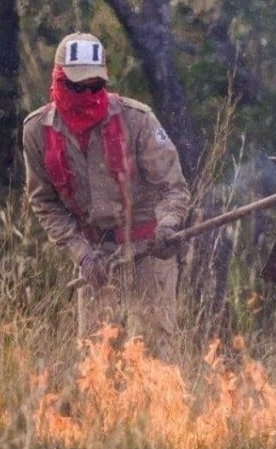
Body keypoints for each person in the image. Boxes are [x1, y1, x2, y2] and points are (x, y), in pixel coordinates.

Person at [22, 32, 190, 360]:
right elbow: (44, 201)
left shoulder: (138, 119)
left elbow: (173, 186)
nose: (86, 94)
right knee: (97, 359)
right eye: (76, 86)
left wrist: (168, 225)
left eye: (94, 86)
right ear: (57, 80)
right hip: (96, 255)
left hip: (148, 249)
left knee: (156, 356)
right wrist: (82, 255)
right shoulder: (36, 131)